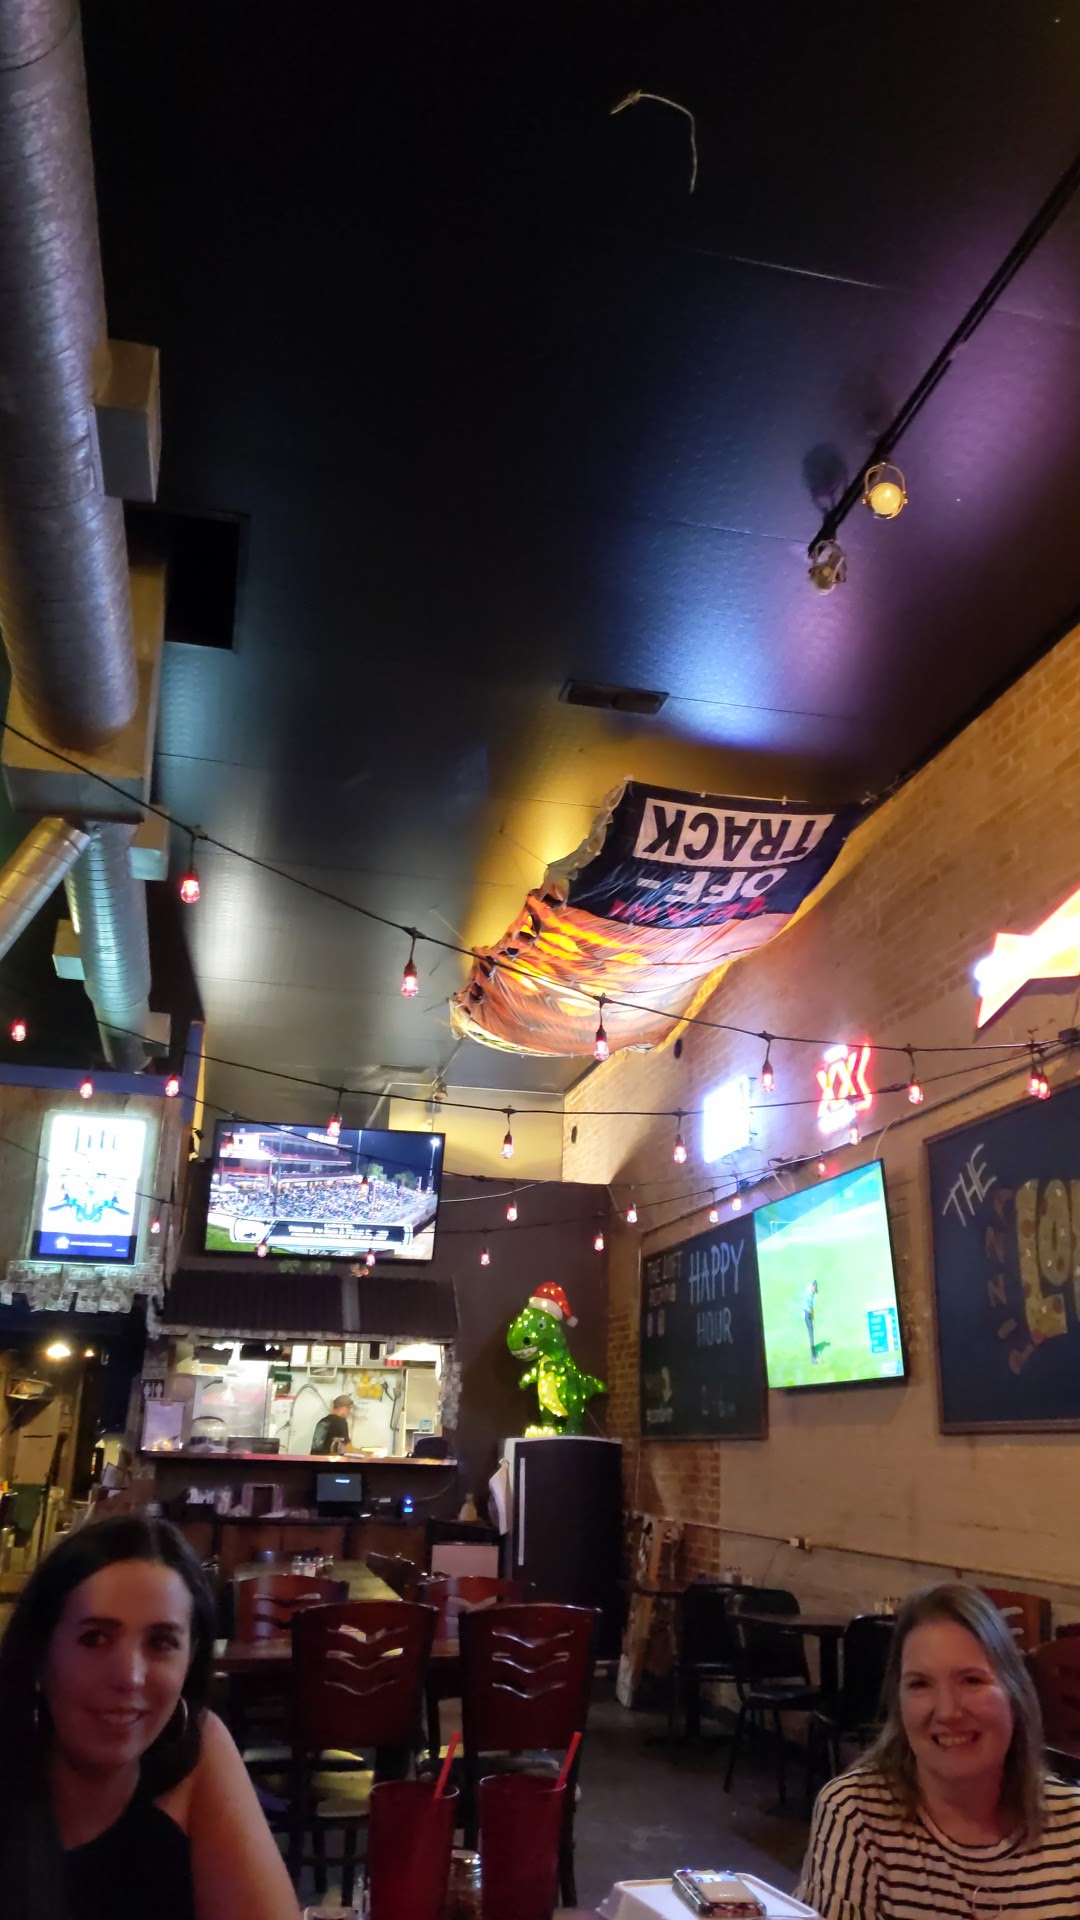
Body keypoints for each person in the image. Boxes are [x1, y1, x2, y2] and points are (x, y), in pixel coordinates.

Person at [0, 1511, 299, 1920]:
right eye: (94, 1638)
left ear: (191, 1658)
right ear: (40, 1651)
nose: (130, 1676)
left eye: (160, 1642)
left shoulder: (197, 1749)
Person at [797, 1581, 1080, 1920]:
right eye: (920, 1684)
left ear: (1015, 1693)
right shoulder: (857, 1815)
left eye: (972, 1680)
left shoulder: (1073, 1826)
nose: (947, 1711)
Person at [803, 1278, 819, 1364]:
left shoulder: (810, 1288)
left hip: (806, 1312)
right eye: (814, 1289)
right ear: (812, 1287)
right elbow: (811, 1309)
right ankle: (813, 1358)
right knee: (811, 1335)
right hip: (807, 1315)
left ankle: (813, 1353)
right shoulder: (809, 1295)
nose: (814, 1292)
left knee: (811, 1335)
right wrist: (813, 1320)